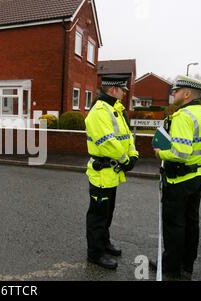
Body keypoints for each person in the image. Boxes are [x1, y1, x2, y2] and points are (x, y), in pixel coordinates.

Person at [152, 76, 201, 279]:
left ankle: (171, 265)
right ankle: (187, 264)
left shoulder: (183, 116)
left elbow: (180, 152)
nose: (173, 93)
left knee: (174, 224)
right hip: (198, 175)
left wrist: (159, 153)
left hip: (179, 179)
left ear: (187, 94)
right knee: (191, 222)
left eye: (176, 90)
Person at [85, 75, 139, 270]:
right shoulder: (99, 111)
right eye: (122, 89)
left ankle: (104, 243)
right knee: (97, 216)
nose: (125, 93)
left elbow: (127, 137)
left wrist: (133, 155)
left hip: (112, 172)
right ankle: (95, 253)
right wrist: (126, 160)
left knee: (107, 213)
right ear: (113, 89)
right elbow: (107, 141)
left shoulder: (116, 109)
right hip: (102, 172)